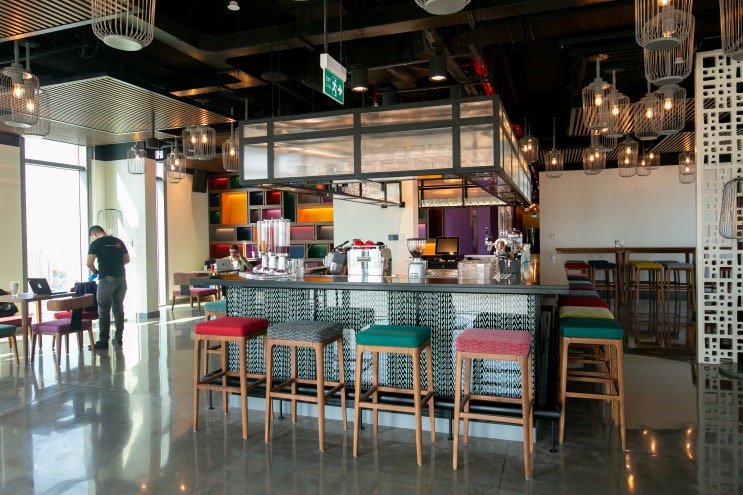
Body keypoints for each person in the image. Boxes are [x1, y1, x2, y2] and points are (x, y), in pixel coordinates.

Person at [87, 225, 129, 349]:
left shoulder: (96, 243)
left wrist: (95, 271)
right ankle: (118, 338)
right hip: (121, 279)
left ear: (94, 234)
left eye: (92, 237)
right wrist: (115, 264)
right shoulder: (118, 241)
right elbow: (127, 259)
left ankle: (103, 341)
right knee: (118, 308)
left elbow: (89, 263)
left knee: (104, 310)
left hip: (106, 280)